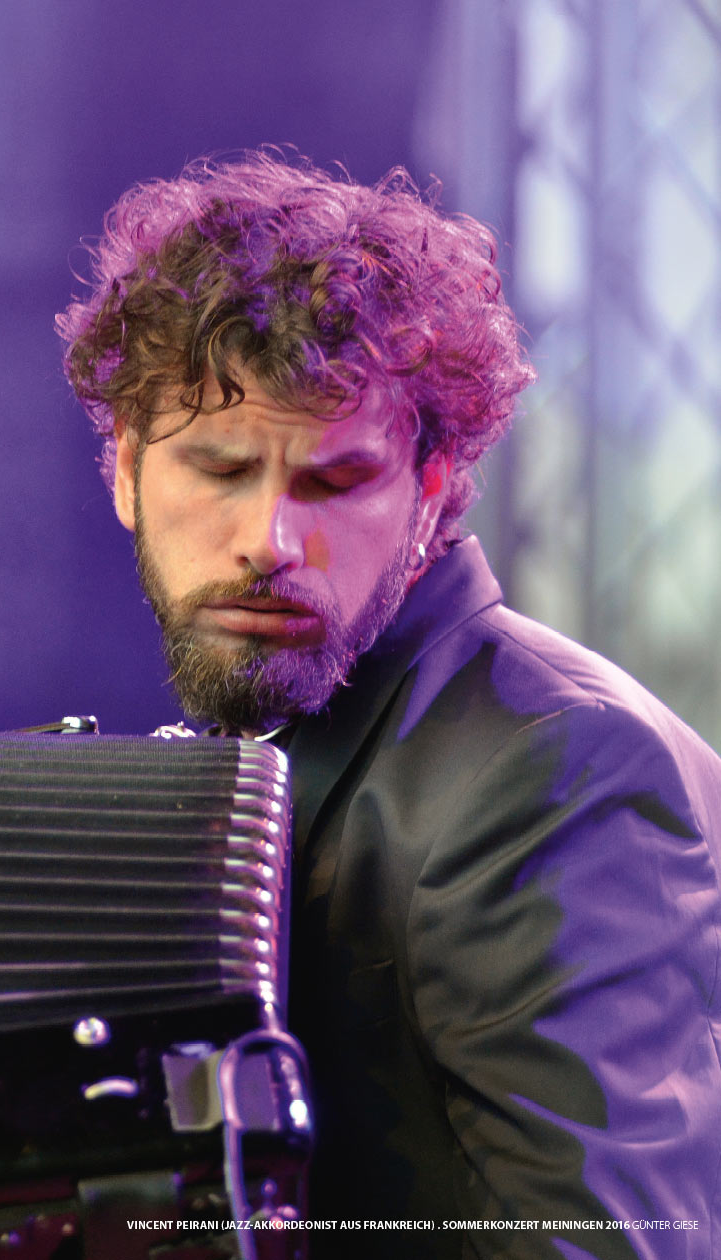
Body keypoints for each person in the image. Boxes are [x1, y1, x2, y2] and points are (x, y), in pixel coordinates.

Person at [57, 151, 721, 1258]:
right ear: (125, 470)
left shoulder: (561, 772)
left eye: (332, 481)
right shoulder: (282, 729)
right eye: (220, 469)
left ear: (437, 487)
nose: (267, 543)